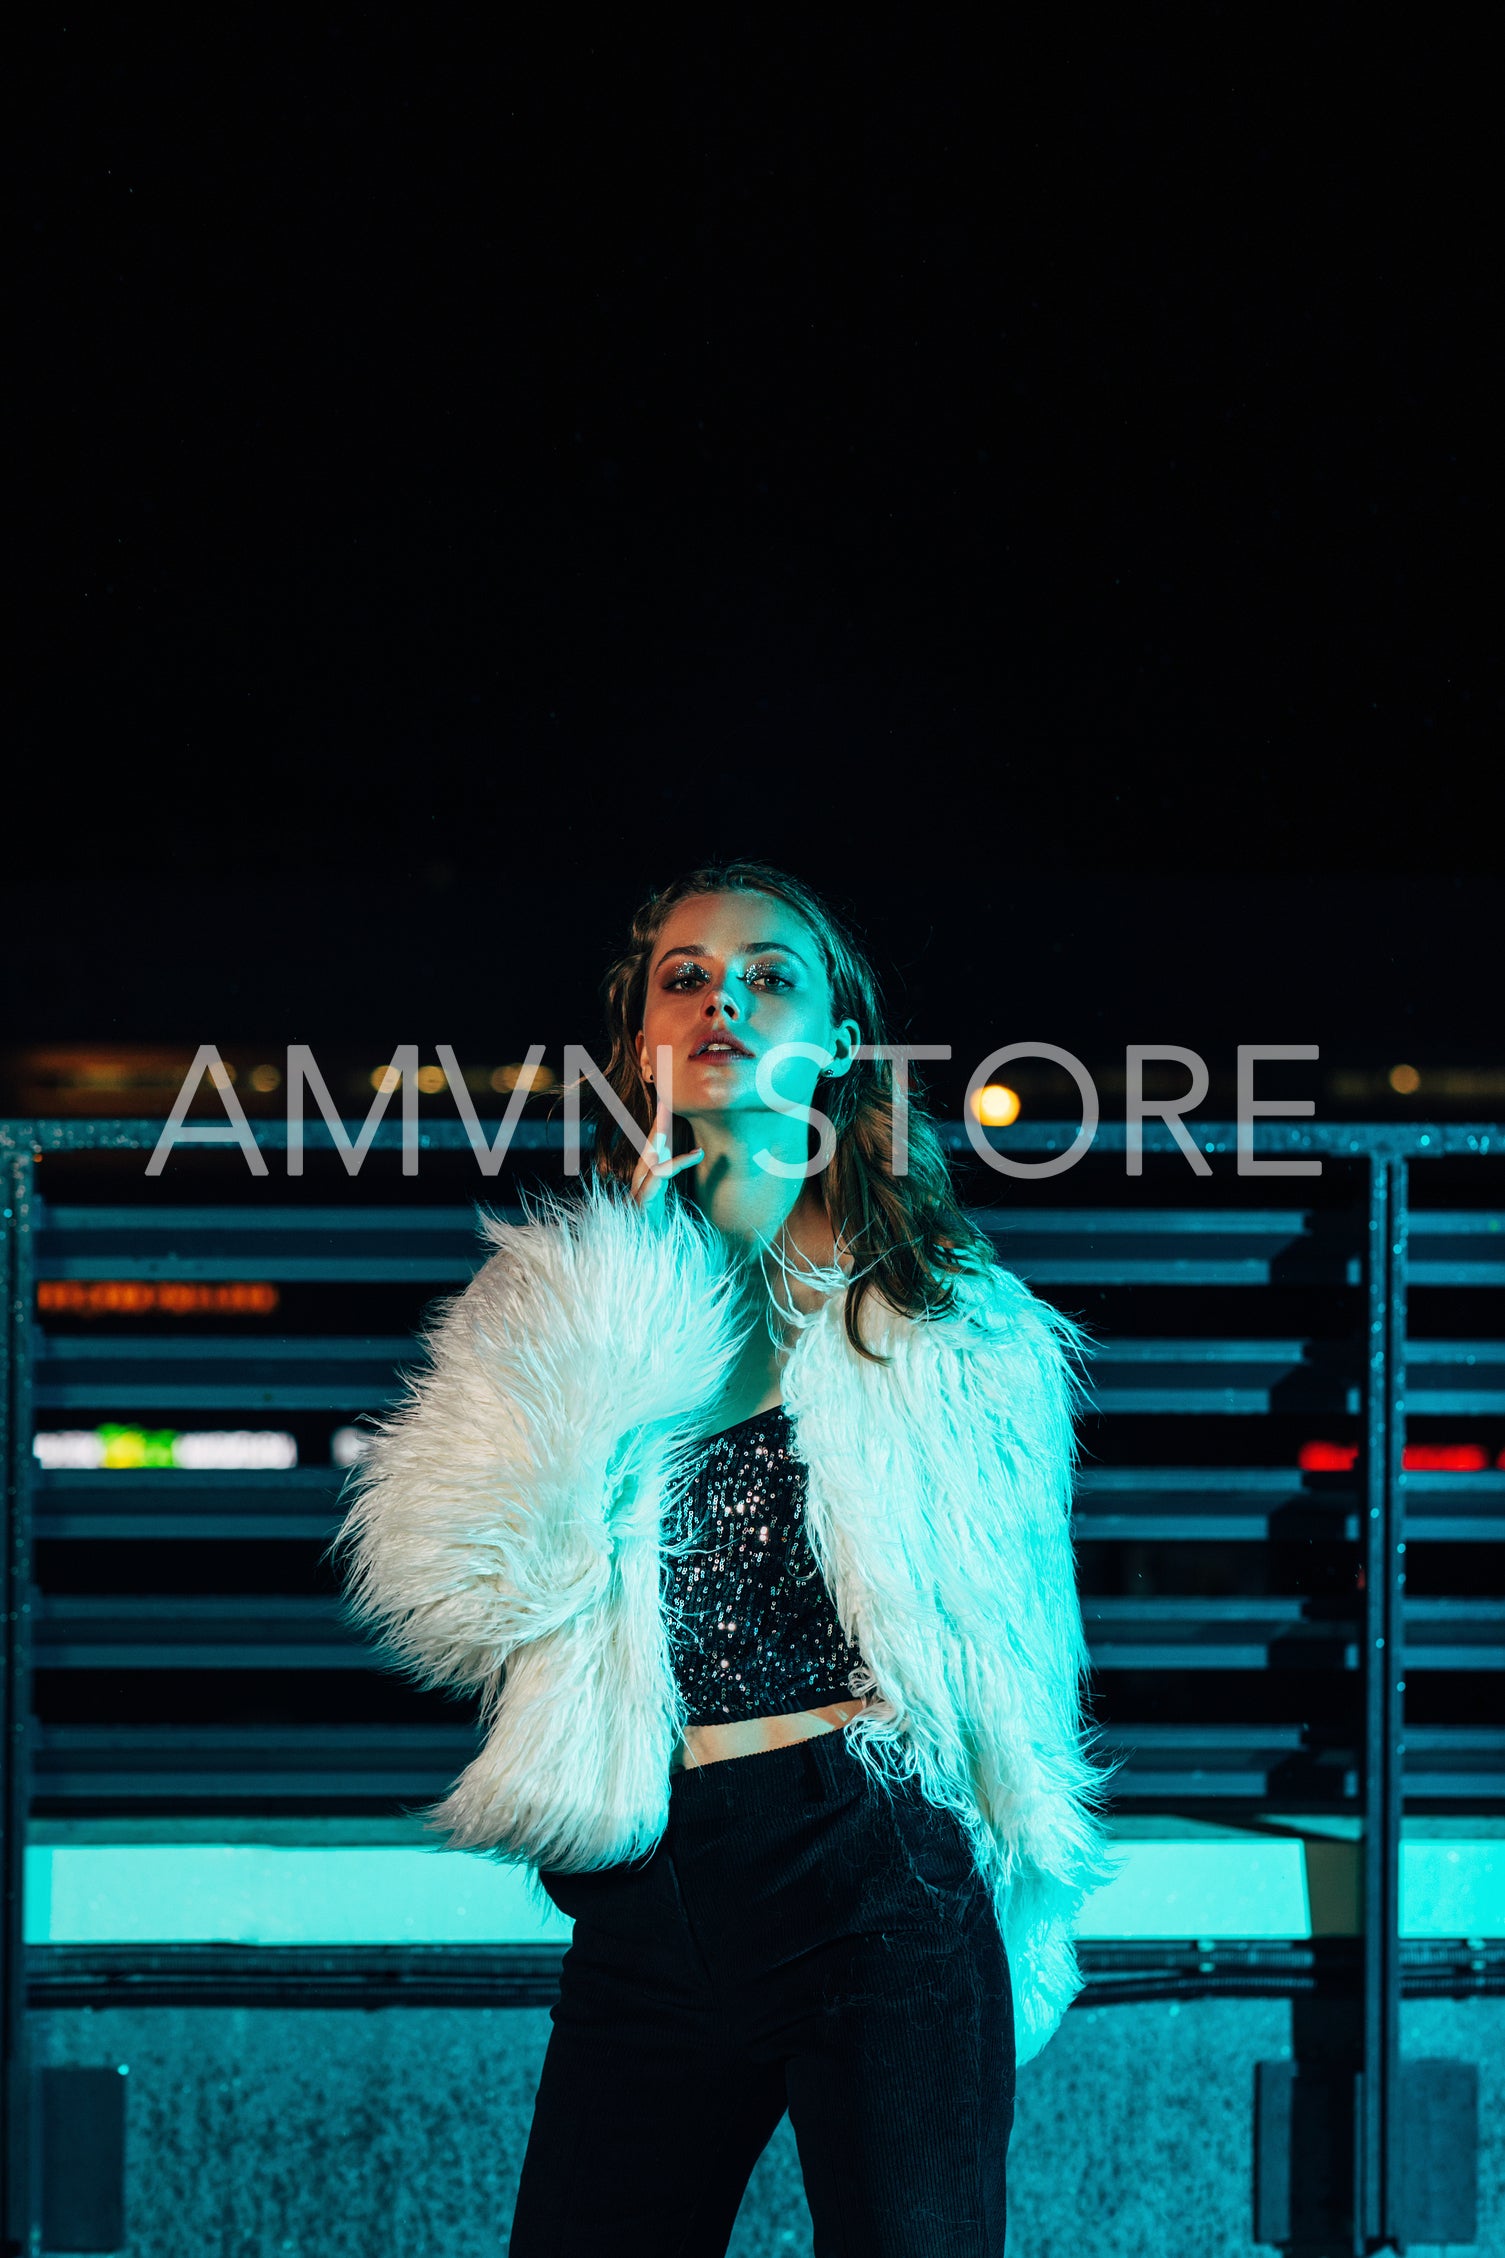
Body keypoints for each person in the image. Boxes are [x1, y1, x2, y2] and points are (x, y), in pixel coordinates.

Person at [330, 859, 1119, 2256]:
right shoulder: (553, 1296)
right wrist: (608, 1311)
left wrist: (1018, 1904)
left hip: (878, 1857)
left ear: (837, 1038)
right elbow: (464, 1598)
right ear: (640, 1038)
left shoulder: (956, 1328)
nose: (723, 1001)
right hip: (655, 1885)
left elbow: (1025, 1650)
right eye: (683, 977)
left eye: (769, 974)